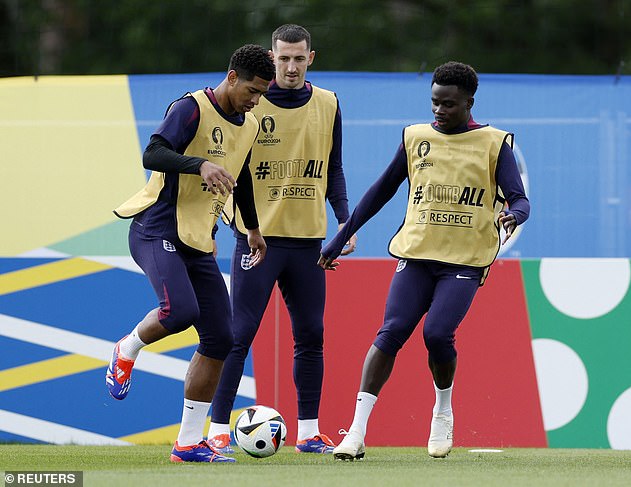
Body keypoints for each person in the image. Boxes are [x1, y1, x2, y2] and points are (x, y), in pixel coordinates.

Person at [318, 61, 530, 460]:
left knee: (435, 335)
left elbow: (520, 198)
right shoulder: (416, 138)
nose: (439, 111)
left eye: (448, 104)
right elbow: (380, 191)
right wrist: (339, 238)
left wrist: (514, 214)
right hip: (416, 253)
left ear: (469, 102)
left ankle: (442, 410)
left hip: (465, 260)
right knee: (391, 331)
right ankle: (357, 432)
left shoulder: (494, 143)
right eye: (434, 103)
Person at [105, 44, 276, 463]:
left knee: (222, 337)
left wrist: (253, 229)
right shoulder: (191, 108)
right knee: (179, 311)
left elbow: (245, 179)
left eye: (261, 94)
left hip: (198, 238)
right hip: (155, 227)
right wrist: (198, 164)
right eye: (252, 90)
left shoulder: (250, 124)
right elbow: (152, 152)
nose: (255, 100)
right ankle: (126, 348)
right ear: (232, 77)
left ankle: (187, 443)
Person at [208, 24, 357, 455]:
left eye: (298, 58)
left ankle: (308, 433)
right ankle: (218, 430)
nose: (290, 67)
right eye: (283, 59)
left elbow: (334, 169)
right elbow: (228, 172)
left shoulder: (328, 104)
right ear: (272, 58)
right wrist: (216, 226)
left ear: (311, 58)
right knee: (239, 335)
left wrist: (345, 221)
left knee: (311, 335)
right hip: (259, 241)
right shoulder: (249, 105)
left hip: (309, 242)